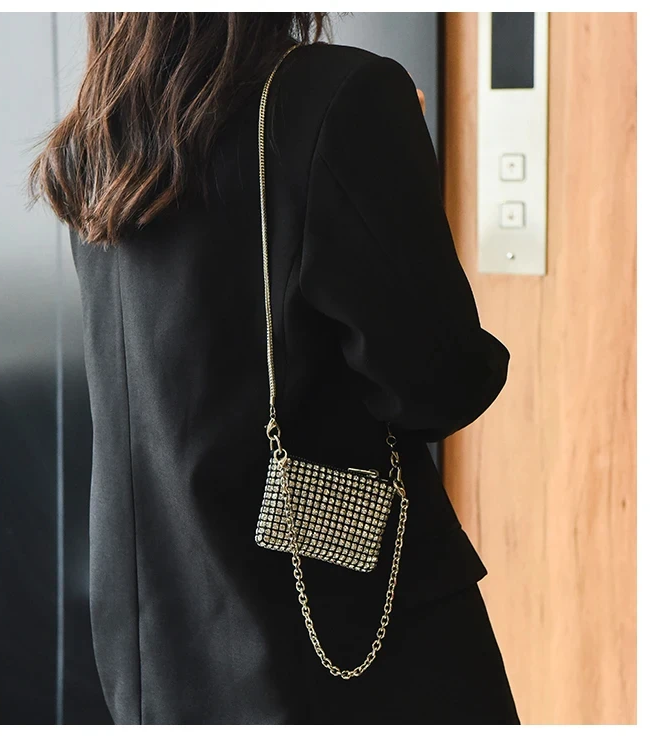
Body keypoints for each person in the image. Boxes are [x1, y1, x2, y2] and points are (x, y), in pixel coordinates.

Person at [30, 12, 519, 725]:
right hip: (342, 642)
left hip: (160, 656)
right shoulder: (340, 99)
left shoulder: (97, 140)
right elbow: (435, 385)